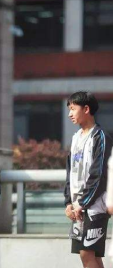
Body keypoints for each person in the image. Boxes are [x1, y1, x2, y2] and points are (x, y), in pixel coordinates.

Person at [64, 91, 113, 268]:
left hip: (95, 207)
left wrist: (82, 203)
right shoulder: (76, 138)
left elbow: (99, 175)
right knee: (89, 256)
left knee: (87, 253)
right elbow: (71, 172)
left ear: (86, 109)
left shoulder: (100, 137)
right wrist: (69, 202)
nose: (69, 114)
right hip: (79, 207)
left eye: (73, 109)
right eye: (69, 109)